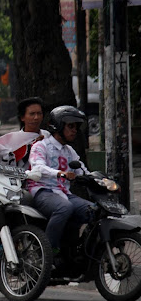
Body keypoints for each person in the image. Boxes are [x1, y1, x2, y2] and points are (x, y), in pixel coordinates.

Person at [27, 106, 92, 253]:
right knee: (64, 208)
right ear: (58, 126)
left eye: (76, 127)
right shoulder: (40, 146)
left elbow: (82, 171)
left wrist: (100, 180)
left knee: (94, 211)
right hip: (42, 191)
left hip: (64, 194)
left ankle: (78, 251)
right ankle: (48, 252)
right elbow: (38, 168)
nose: (74, 130)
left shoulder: (69, 151)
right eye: (70, 126)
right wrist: (60, 173)